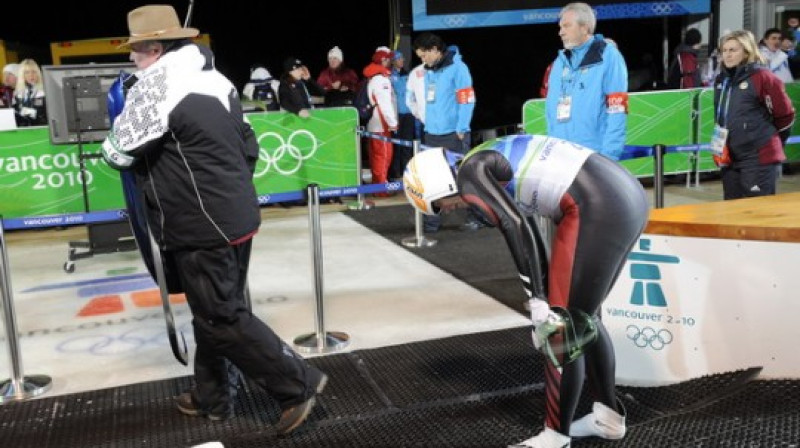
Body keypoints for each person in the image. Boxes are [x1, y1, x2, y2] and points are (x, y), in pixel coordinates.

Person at [99, 5, 327, 435]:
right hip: (235, 214)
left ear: (155, 48)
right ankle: (212, 396)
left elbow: (115, 154)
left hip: (198, 223)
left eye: (136, 51)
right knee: (215, 311)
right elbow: (248, 144)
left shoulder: (157, 88)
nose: (131, 59)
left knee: (220, 318)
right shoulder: (215, 78)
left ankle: (298, 386)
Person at [402, 134, 648, 448]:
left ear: (438, 183)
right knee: (584, 318)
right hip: (622, 195)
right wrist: (542, 294)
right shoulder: (481, 159)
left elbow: (514, 226)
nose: (450, 209)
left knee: (560, 328)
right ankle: (608, 417)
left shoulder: (469, 174)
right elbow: (528, 228)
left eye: (441, 204)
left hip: (596, 204)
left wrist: (539, 303)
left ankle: (555, 437)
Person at [713, 29, 795, 200]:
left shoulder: (762, 77)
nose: (727, 55)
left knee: (758, 215)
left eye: (733, 50)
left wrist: (766, 140)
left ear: (746, 51)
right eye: (724, 50)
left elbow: (785, 114)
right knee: (733, 213)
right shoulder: (722, 80)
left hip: (758, 157)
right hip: (730, 157)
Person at [411, 33, 479, 232]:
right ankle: (431, 221)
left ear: (434, 50)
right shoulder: (428, 72)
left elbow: (466, 100)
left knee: (462, 178)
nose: (422, 60)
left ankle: (477, 217)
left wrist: (462, 128)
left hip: (454, 133)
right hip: (432, 133)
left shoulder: (459, 69)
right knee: (432, 180)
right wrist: (428, 125)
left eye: (424, 56)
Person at [545, 2, 628, 161]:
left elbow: (617, 110)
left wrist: (609, 156)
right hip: (561, 156)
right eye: (560, 27)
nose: (560, 32)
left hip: (593, 156)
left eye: (566, 26)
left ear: (584, 28)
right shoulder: (559, 63)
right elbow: (551, 112)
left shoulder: (609, 57)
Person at [362, 46, 398, 192]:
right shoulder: (380, 79)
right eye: (389, 59)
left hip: (375, 124)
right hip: (381, 125)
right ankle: (381, 189)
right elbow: (385, 104)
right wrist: (393, 123)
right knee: (383, 157)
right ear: (383, 60)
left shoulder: (375, 77)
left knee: (377, 156)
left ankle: (378, 186)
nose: (391, 61)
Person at [389, 50, 415, 180]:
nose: (402, 61)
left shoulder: (407, 74)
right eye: (399, 59)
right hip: (397, 114)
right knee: (396, 145)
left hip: (408, 113)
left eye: (402, 58)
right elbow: (395, 91)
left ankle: (407, 171)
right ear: (393, 61)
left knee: (407, 143)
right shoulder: (389, 75)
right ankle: (395, 172)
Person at [13, 59, 47, 127]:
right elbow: (15, 112)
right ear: (22, 75)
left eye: (34, 72)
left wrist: (32, 113)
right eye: (27, 72)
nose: (31, 75)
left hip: (42, 128)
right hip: (24, 130)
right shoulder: (18, 93)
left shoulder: (45, 90)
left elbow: (48, 114)